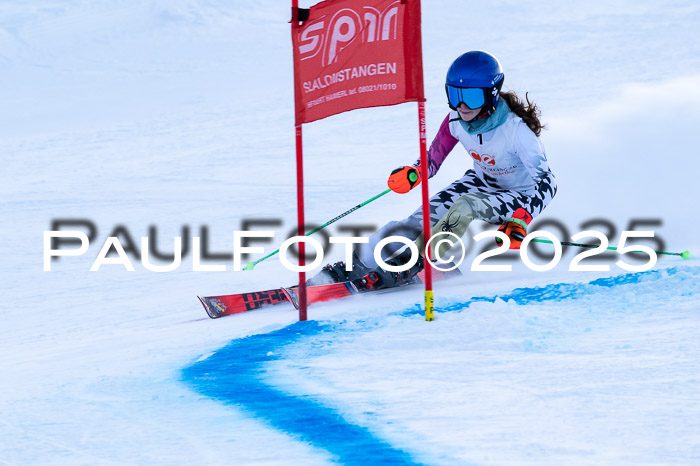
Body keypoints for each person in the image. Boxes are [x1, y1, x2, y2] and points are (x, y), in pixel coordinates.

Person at [310, 50, 557, 289]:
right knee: (415, 222)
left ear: (491, 94)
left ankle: (413, 261)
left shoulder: (516, 130)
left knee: (465, 206)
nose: (461, 105)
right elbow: (432, 160)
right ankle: (358, 264)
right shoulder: (455, 121)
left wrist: (522, 218)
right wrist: (414, 172)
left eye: (471, 97)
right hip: (481, 183)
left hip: (518, 196)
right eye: (454, 94)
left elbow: (548, 182)